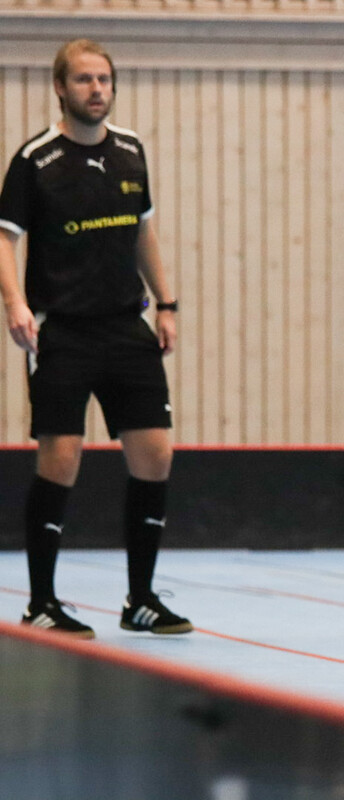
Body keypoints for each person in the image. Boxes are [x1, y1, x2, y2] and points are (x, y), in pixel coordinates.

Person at [0, 39, 192, 639]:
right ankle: (41, 602)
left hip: (126, 326)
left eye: (104, 79)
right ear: (61, 87)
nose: (96, 89)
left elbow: (143, 232)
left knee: (155, 455)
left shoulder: (131, 152)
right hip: (63, 331)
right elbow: (5, 237)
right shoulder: (35, 160)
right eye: (84, 79)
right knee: (60, 459)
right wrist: (15, 304)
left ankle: (141, 600)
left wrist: (165, 304)